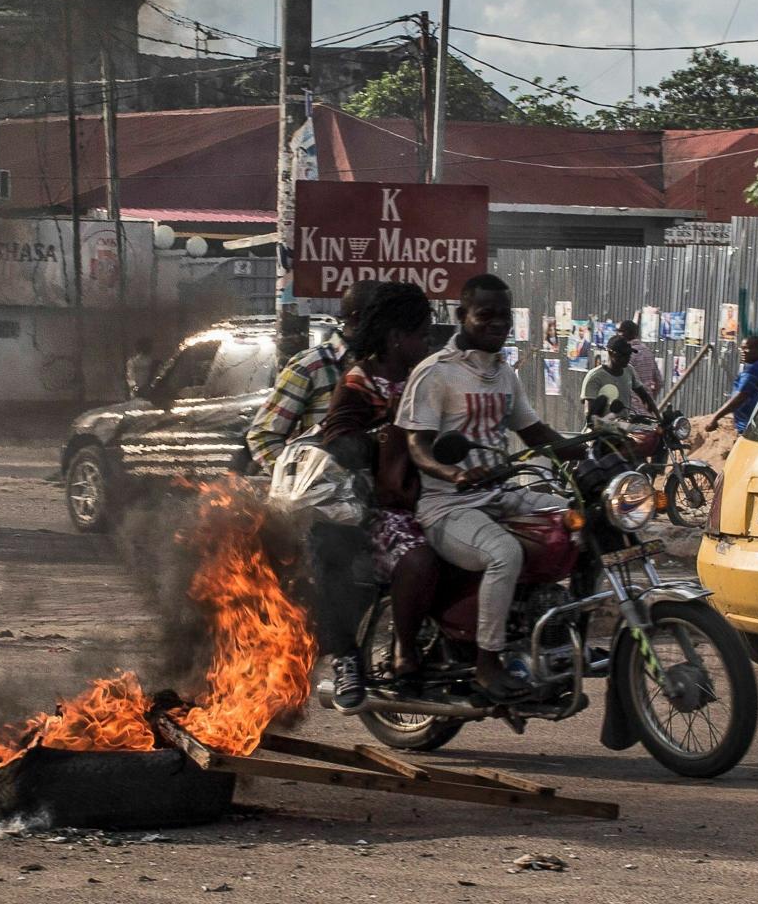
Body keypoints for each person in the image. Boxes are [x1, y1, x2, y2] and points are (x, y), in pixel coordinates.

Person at [396, 273, 578, 700]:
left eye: (504, 315)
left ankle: (566, 631)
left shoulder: (504, 373)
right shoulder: (435, 374)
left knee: (577, 518)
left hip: (499, 494)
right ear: (462, 316)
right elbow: (417, 446)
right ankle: (486, 663)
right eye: (486, 314)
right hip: (446, 506)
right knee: (504, 553)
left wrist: (596, 449)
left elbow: (535, 433)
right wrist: (453, 474)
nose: (498, 323)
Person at [317, 282, 438, 703]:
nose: (428, 341)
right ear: (395, 338)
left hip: (434, 497)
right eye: (422, 334)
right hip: (375, 508)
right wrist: (387, 435)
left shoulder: (429, 375)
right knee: (412, 558)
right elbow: (338, 444)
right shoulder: (358, 383)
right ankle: (353, 657)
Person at [246, 280, 379, 471]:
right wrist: (298, 480)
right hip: (325, 496)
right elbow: (264, 436)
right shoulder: (311, 366)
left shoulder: (395, 367)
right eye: (385, 319)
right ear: (359, 319)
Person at [581, 334, 659, 424]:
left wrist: (659, 420)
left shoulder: (629, 370)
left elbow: (645, 397)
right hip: (600, 432)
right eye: (623, 355)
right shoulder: (595, 376)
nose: (627, 358)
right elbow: (589, 414)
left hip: (622, 428)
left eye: (629, 355)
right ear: (610, 353)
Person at [705, 336, 758, 434]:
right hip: (757, 426)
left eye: (747, 348)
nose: (743, 351)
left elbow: (740, 397)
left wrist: (715, 417)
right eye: (742, 348)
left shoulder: (753, 370)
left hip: (749, 428)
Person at [617, 319, 661, 410]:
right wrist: (651, 398)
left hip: (630, 411)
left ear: (624, 333)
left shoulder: (627, 354)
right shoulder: (648, 352)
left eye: (620, 332)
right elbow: (659, 381)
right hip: (647, 411)